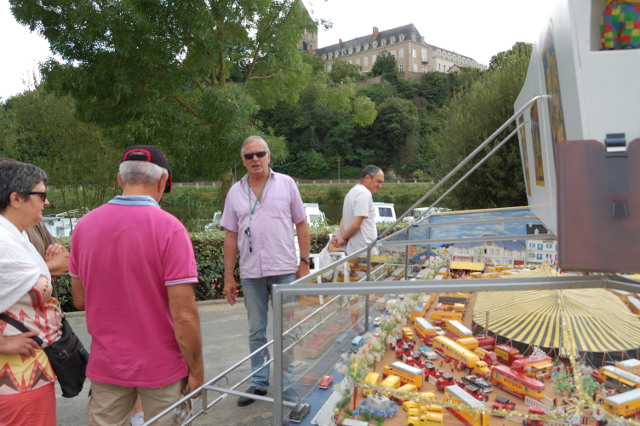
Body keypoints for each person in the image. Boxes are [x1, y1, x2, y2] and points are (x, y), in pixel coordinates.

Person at [68, 145, 204, 426]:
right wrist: (197, 371)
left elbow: (80, 299)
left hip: (107, 366)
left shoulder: (84, 227)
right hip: (163, 368)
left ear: (120, 180)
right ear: (162, 182)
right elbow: (184, 315)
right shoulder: (171, 229)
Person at [221, 135, 310, 407]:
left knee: (287, 331)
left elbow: (302, 224)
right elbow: (230, 236)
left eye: (260, 154)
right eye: (249, 156)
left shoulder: (287, 184)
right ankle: (259, 383)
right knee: (255, 332)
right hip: (251, 274)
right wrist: (228, 276)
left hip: (284, 270)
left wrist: (304, 263)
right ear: (243, 161)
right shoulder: (235, 192)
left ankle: (288, 386)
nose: (255, 159)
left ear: (269, 156)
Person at [0, 160, 62, 426]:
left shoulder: (17, 236)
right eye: (41, 195)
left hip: (28, 375)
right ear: (16, 199)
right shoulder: (4, 244)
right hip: (13, 381)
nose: (45, 203)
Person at [332, 165, 384, 255]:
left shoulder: (351, 192)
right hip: (365, 251)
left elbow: (343, 220)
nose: (380, 186)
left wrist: (344, 238)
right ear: (367, 178)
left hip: (352, 251)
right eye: (378, 181)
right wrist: (342, 238)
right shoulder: (364, 193)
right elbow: (356, 225)